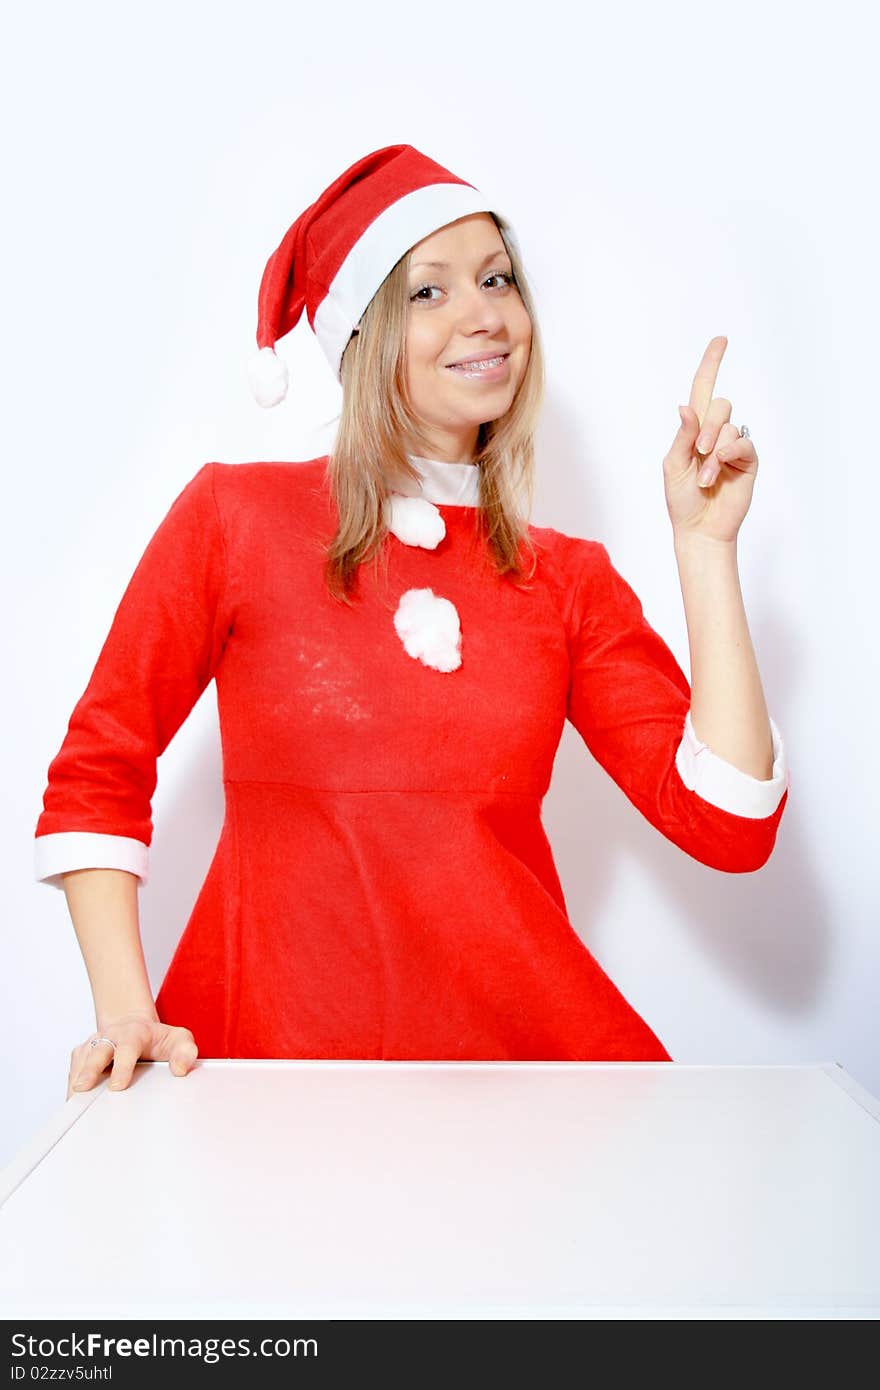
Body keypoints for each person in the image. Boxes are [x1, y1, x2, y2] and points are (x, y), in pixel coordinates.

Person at [33, 144, 790, 1099]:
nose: (484, 313)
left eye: (497, 279)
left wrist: (706, 548)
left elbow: (729, 829)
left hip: (516, 1096)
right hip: (269, 1082)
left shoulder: (566, 579)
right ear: (364, 333)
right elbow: (100, 767)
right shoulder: (235, 520)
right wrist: (125, 1012)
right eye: (427, 292)